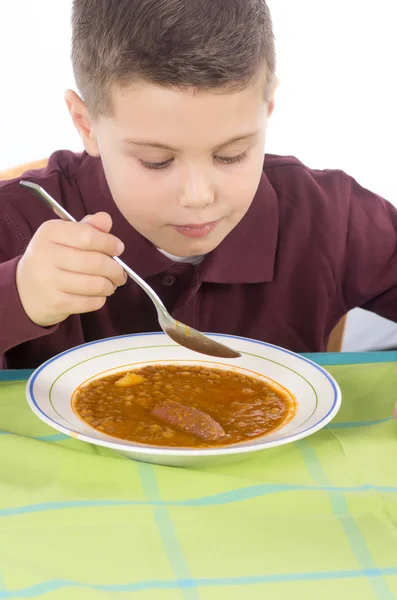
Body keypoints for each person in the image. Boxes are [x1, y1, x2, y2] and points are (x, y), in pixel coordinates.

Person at [1, 0, 397, 373]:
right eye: (157, 161)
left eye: (232, 155)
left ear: (268, 107)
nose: (198, 197)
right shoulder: (15, 220)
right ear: (86, 124)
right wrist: (15, 299)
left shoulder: (329, 216)